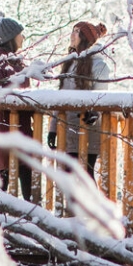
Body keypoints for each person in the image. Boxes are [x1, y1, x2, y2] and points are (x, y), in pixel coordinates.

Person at [0, 13, 38, 201]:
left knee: (24, 169)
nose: (23, 38)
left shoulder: (13, 60)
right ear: (11, 38)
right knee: (5, 172)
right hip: (5, 126)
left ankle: (28, 213)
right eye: (20, 34)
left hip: (19, 126)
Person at [50, 21, 111, 179]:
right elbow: (60, 98)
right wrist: (53, 128)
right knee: (69, 177)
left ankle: (91, 205)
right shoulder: (69, 63)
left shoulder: (99, 65)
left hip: (87, 130)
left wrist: (94, 113)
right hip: (68, 129)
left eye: (77, 31)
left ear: (85, 38)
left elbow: (100, 96)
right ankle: (71, 205)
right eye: (73, 30)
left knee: (85, 177)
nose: (72, 34)